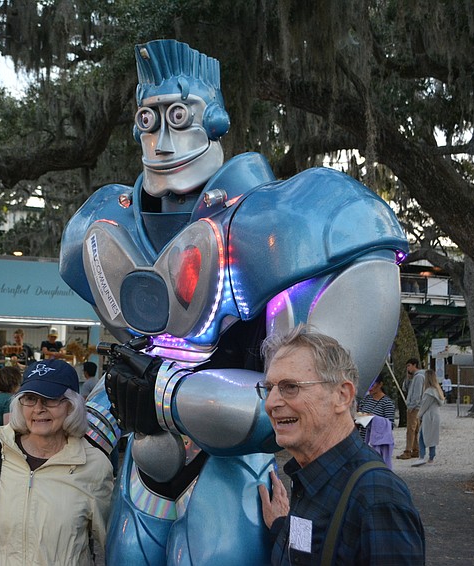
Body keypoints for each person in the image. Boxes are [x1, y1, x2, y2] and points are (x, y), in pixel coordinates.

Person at [59, 39, 408, 564]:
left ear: (212, 119)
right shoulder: (111, 223)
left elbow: (300, 403)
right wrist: (101, 411)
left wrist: (162, 393)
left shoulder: (279, 219)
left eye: (178, 116)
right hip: (143, 469)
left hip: (233, 470)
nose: (162, 138)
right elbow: (136, 358)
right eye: (148, 119)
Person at [257, 326, 425, 564]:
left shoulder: (378, 500)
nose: (271, 402)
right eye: (268, 388)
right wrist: (281, 526)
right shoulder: (311, 477)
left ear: (342, 395)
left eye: (290, 387)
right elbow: (308, 551)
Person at [0, 359, 113, 565]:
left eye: (50, 399)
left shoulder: (93, 465)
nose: (38, 408)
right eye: (30, 398)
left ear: (71, 405)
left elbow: (118, 546)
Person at [412, 369, 445, 467]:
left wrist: (418, 415)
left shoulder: (429, 392)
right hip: (435, 415)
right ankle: (431, 457)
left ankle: (422, 456)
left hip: (429, 416)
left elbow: (424, 406)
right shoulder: (437, 390)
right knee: (432, 436)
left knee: (422, 436)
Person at [396, 358, 425, 460]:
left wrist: (412, 406)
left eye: (409, 366)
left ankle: (408, 451)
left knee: (410, 429)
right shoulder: (414, 378)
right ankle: (415, 449)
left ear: (414, 365)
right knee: (415, 429)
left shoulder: (419, 377)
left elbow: (417, 394)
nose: (407, 368)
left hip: (415, 407)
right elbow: (405, 388)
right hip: (415, 406)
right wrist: (408, 378)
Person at [356, 375, 396, 442]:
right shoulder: (365, 399)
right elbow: (358, 416)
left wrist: (374, 419)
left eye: (372, 385)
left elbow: (390, 425)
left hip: (377, 442)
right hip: (363, 440)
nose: (370, 388)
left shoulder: (387, 403)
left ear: (380, 384)